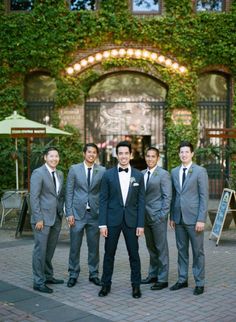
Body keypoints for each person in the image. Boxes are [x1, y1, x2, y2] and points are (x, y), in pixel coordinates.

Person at [98, 140, 145, 299]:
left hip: (131, 221)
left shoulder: (139, 175)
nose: (124, 156)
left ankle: (136, 286)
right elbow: (103, 200)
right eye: (121, 153)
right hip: (112, 221)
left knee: (134, 255)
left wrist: (141, 224)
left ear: (131, 155)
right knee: (108, 254)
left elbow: (141, 202)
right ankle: (105, 285)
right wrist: (102, 224)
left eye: (126, 153)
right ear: (116, 155)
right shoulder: (107, 175)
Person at [169, 141, 209, 295]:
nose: (183, 154)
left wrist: (201, 219)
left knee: (198, 251)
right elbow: (174, 197)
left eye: (186, 152)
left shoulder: (200, 171)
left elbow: (204, 197)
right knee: (181, 250)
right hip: (178, 219)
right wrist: (172, 216)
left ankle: (199, 282)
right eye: (181, 152)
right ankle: (182, 279)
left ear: (192, 154)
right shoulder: (174, 172)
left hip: (194, 219)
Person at [65, 143, 105, 288]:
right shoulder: (74, 169)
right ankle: (73, 274)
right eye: (89, 152)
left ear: (96, 155)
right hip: (77, 215)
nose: (91, 155)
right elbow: (69, 192)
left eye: (94, 152)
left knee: (94, 247)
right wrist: (68, 213)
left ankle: (94, 274)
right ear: (84, 153)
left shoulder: (102, 171)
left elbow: (103, 194)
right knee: (75, 246)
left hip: (94, 215)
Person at [30, 146, 64, 294]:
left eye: (56, 156)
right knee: (40, 251)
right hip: (42, 219)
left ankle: (48, 276)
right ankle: (38, 282)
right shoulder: (38, 173)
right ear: (45, 157)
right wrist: (38, 218)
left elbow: (59, 196)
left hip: (56, 218)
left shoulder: (60, 174)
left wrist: (61, 211)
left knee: (49, 250)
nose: (54, 159)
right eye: (51, 156)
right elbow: (34, 197)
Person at [141, 147, 172, 290]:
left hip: (158, 217)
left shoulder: (163, 174)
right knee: (151, 247)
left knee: (161, 248)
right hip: (145, 217)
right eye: (148, 156)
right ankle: (153, 274)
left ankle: (163, 278)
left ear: (157, 158)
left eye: (153, 156)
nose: (150, 159)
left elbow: (167, 197)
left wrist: (162, 215)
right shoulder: (141, 174)